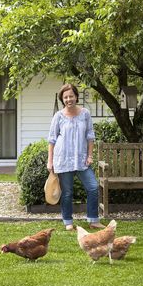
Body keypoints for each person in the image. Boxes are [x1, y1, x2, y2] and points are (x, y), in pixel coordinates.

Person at [47, 83, 104, 231]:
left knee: (93, 187)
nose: (68, 99)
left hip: (82, 159)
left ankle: (93, 220)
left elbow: (90, 136)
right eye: (65, 97)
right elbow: (52, 140)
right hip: (63, 159)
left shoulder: (85, 114)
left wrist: (90, 156)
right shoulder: (58, 116)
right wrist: (50, 161)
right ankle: (68, 221)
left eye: (71, 96)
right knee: (67, 192)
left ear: (76, 97)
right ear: (62, 99)